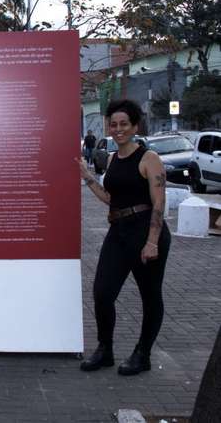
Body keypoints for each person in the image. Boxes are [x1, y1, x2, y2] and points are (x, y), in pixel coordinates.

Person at [77, 99, 170, 376]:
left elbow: (159, 202)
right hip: (118, 232)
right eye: (113, 124)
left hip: (145, 232)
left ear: (135, 126)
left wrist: (152, 241)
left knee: (150, 296)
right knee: (102, 293)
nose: (118, 129)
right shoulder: (114, 159)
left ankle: (143, 354)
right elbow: (111, 199)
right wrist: (87, 177)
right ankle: (105, 350)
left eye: (124, 124)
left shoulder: (148, 158)